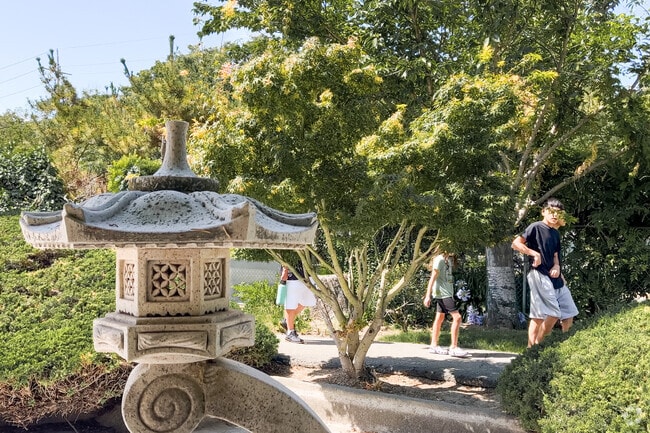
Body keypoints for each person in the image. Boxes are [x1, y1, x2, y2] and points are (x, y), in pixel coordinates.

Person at [511, 198, 579, 347]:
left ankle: (563, 347)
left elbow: (555, 256)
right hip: (539, 274)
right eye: (551, 212)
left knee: (568, 314)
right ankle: (537, 346)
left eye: (558, 213)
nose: (554, 215)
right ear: (543, 212)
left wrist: (557, 267)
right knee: (553, 314)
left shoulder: (555, 233)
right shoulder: (535, 227)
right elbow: (515, 243)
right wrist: (534, 254)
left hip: (555, 278)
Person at [423, 252, 471, 358]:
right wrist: (427, 296)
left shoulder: (448, 259)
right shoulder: (439, 260)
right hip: (442, 293)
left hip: (447, 292)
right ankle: (453, 348)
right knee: (457, 317)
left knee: (439, 317)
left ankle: (433, 345)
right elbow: (432, 278)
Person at [278, 261, 317, 344]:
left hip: (307, 275)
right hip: (292, 277)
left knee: (308, 301)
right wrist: (285, 270)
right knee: (290, 305)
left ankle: (287, 321)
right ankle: (290, 333)